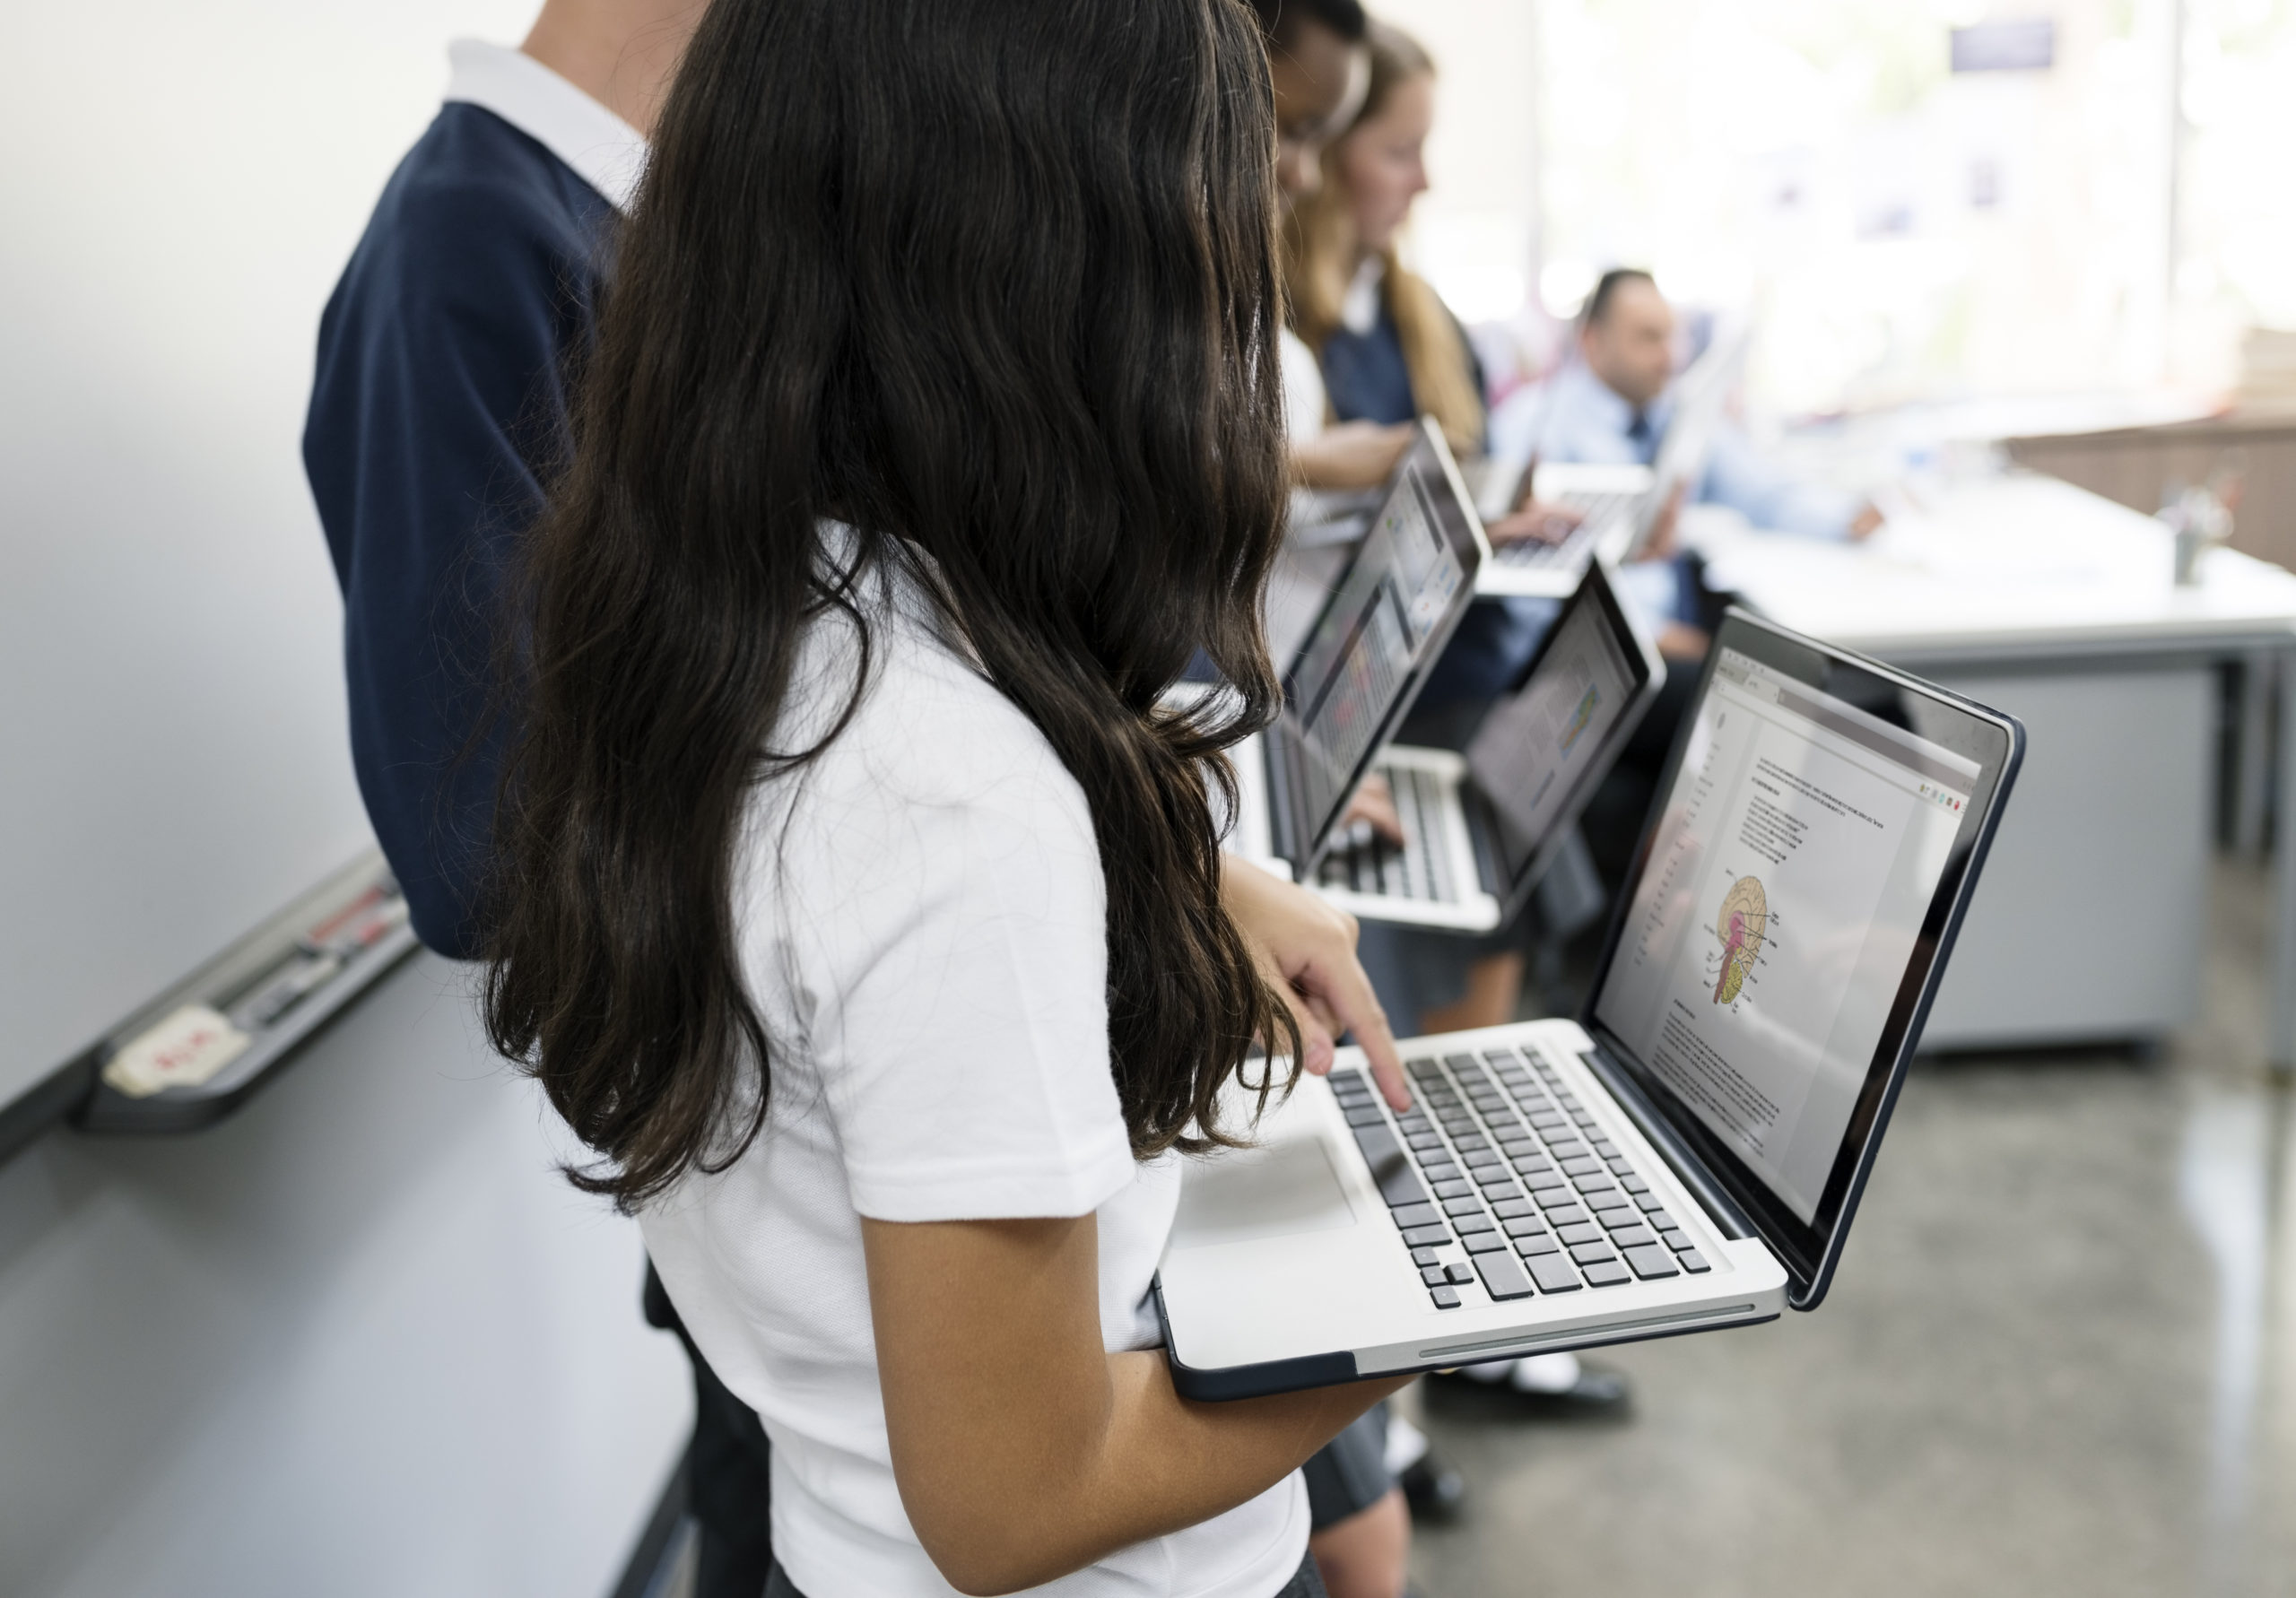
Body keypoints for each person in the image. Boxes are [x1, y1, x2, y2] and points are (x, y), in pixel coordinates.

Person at [484, 2, 1417, 1594]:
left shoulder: (755, 614)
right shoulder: (948, 800)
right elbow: (1020, 1498)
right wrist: (1431, 1304)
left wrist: (1180, 881)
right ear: (1067, 277)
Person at [300, 8, 798, 1594]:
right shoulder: (470, 248)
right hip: (764, 1145)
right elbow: (485, 841)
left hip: (800, 1131)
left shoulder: (624, 234)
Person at [1283, 19, 1633, 1427]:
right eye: (1394, 150)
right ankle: (1410, 1374)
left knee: (1499, 961)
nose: (1414, 181)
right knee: (1402, 1033)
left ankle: (1469, 1314)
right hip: (1362, 713)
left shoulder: (1420, 319)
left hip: (1459, 682)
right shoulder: (1290, 331)